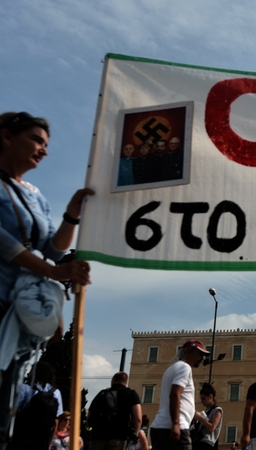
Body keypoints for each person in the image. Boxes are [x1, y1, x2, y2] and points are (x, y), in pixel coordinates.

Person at [0, 111, 93, 445]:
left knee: (5, 414)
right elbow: (5, 243)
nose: (44, 150)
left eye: (46, 144)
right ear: (7, 137)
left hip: (18, 318)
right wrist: (54, 273)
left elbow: (52, 248)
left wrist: (72, 213)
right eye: (37, 140)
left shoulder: (35, 195)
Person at [150, 339, 210, 450]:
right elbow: (175, 394)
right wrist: (176, 423)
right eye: (200, 354)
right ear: (189, 352)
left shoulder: (171, 369)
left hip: (159, 426)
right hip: (175, 427)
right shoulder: (184, 367)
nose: (202, 358)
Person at [87, 371, 142, 450]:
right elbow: (138, 418)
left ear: (113, 380)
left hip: (97, 438)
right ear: (126, 382)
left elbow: (89, 416)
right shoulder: (131, 394)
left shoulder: (102, 394)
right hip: (118, 438)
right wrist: (135, 435)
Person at [193, 383, 223, 450]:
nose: (202, 401)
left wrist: (201, 417)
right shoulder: (206, 412)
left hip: (207, 443)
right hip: (200, 442)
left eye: (204, 399)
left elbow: (212, 428)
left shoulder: (217, 410)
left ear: (210, 397)